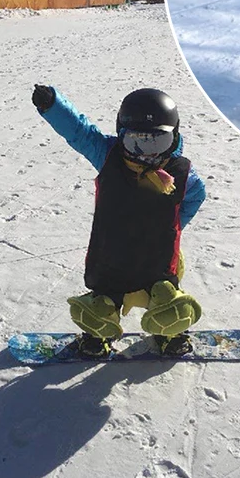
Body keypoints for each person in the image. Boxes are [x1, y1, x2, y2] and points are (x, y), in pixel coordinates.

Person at [32, 85, 206, 357]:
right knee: (100, 306)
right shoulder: (109, 156)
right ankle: (96, 335)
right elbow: (80, 132)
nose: (147, 154)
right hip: (112, 261)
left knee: (168, 303)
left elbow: (197, 195)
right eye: (137, 142)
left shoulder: (182, 175)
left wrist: (173, 226)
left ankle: (168, 335)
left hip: (156, 262)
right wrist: (53, 106)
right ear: (122, 136)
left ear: (173, 138)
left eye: (158, 141)